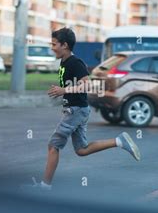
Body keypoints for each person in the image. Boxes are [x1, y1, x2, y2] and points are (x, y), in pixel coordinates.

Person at [32, 27, 141, 190]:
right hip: (78, 110)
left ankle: (44, 186)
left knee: (53, 146)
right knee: (82, 150)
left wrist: (64, 90)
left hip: (76, 111)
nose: (52, 47)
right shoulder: (64, 61)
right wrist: (63, 93)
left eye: (54, 44)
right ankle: (119, 141)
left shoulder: (75, 63)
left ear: (65, 45)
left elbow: (87, 85)